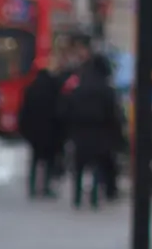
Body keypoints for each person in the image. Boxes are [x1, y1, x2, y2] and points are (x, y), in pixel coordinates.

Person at [63, 53, 119, 208]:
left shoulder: (79, 88)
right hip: (100, 133)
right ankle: (95, 197)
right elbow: (112, 114)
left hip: (80, 133)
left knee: (79, 166)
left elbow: (68, 111)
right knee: (98, 165)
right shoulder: (106, 90)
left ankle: (77, 197)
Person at [18, 58, 63, 198]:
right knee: (48, 160)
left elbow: (24, 111)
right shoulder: (54, 89)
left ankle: (32, 186)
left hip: (34, 131)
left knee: (35, 159)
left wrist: (24, 130)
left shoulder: (31, 89)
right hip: (51, 130)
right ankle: (46, 186)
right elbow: (60, 110)